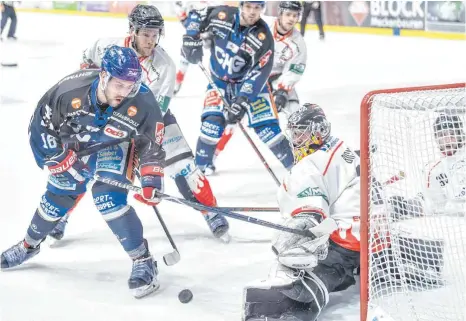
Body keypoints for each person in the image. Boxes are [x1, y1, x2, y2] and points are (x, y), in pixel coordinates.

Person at [48, 4, 229, 243]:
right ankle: (61, 216)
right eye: (146, 34)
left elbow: (157, 111)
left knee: (184, 166)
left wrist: (140, 145)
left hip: (150, 121)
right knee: (83, 162)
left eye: (155, 35)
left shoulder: (164, 65)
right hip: (105, 117)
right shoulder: (105, 47)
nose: (151, 41)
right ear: (132, 30)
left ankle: (210, 211)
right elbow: (85, 69)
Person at [1, 45, 165, 299]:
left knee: (108, 198)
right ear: (103, 76)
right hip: (74, 146)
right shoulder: (68, 91)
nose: (126, 92)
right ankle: (28, 245)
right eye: (119, 85)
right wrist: (60, 159)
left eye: (131, 85)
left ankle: (143, 260)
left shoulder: (142, 101)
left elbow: (152, 143)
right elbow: (40, 126)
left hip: (116, 145)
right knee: (57, 197)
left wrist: (152, 178)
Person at [242, 103, 360, 321]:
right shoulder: (341, 147)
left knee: (297, 270)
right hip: (373, 235)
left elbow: (309, 215)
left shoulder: (309, 166)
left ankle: (290, 310)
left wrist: (292, 234)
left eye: (301, 133)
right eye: (294, 133)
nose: (295, 140)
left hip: (348, 241)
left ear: (318, 131)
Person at [182, 1, 294, 175]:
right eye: (248, 7)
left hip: (250, 84)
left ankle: (298, 170)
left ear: (262, 9)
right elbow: (196, 16)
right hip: (219, 81)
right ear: (241, 6)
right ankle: (198, 172)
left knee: (268, 130)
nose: (252, 12)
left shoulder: (263, 37)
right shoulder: (222, 15)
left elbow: (260, 73)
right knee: (211, 125)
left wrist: (243, 100)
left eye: (257, 8)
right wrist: (190, 37)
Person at [213, 1, 308, 162]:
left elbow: (294, 70)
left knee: (296, 114)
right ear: (280, 14)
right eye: (288, 14)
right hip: (252, 78)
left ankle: (302, 157)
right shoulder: (262, 25)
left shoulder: (298, 43)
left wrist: (282, 91)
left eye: (295, 15)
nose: (291, 19)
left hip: (277, 81)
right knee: (233, 117)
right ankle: (212, 156)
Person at [173, 1, 210, 95]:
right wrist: (179, 11)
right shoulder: (191, 15)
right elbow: (185, 23)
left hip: (198, 47)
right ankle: (177, 85)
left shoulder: (205, 16)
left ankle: (215, 85)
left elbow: (209, 30)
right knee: (182, 68)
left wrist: (205, 36)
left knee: (207, 67)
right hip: (187, 46)